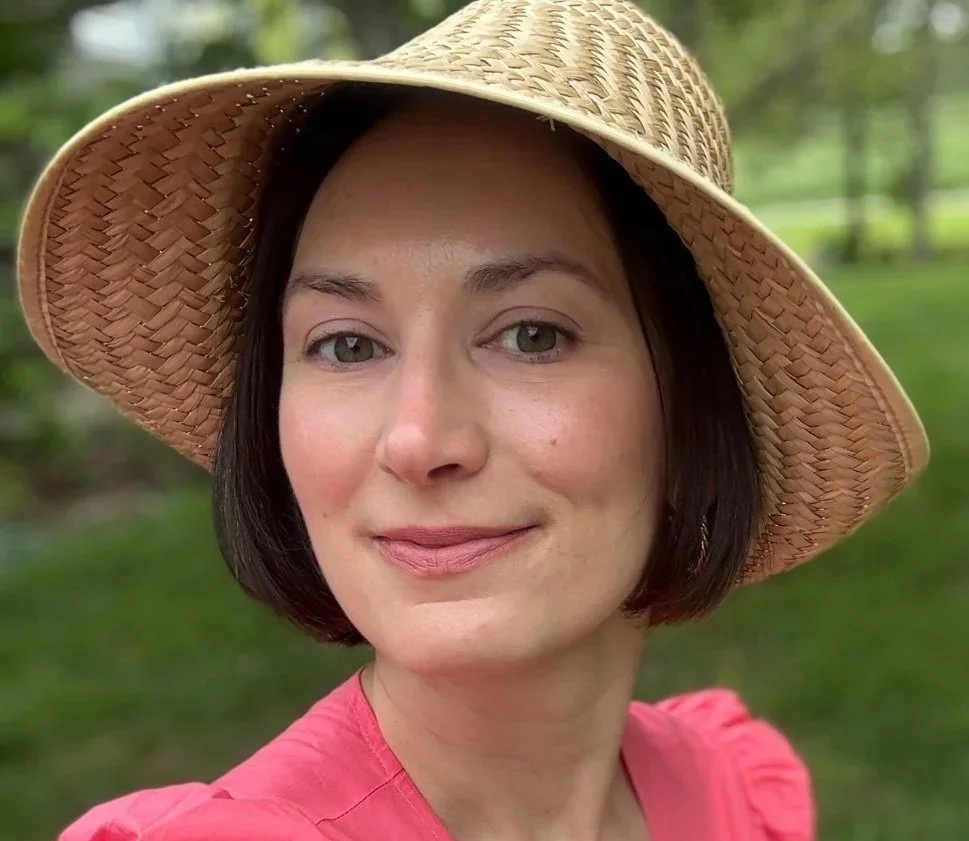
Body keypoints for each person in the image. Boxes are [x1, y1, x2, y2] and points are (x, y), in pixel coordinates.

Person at [17, 1, 929, 839]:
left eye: (531, 334)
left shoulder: (726, 789)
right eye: (345, 345)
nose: (419, 440)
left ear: (690, 407)